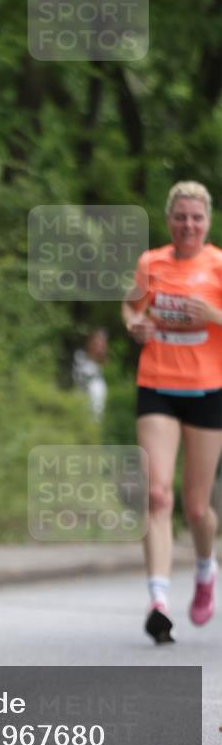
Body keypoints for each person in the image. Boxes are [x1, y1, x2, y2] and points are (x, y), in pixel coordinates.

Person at [121, 182, 222, 644]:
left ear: (208, 221)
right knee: (157, 495)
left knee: (197, 506)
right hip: (157, 385)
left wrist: (213, 315)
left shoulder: (219, 265)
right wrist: (135, 324)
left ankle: (205, 570)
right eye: (180, 217)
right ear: (169, 220)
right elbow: (130, 304)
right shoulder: (151, 263)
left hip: (207, 390)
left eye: (196, 218)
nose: (188, 225)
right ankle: (158, 601)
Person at [72, 328, 109, 422]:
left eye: (101, 344)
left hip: (96, 406)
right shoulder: (79, 357)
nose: (98, 347)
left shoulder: (104, 365)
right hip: (79, 402)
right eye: (96, 343)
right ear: (90, 342)